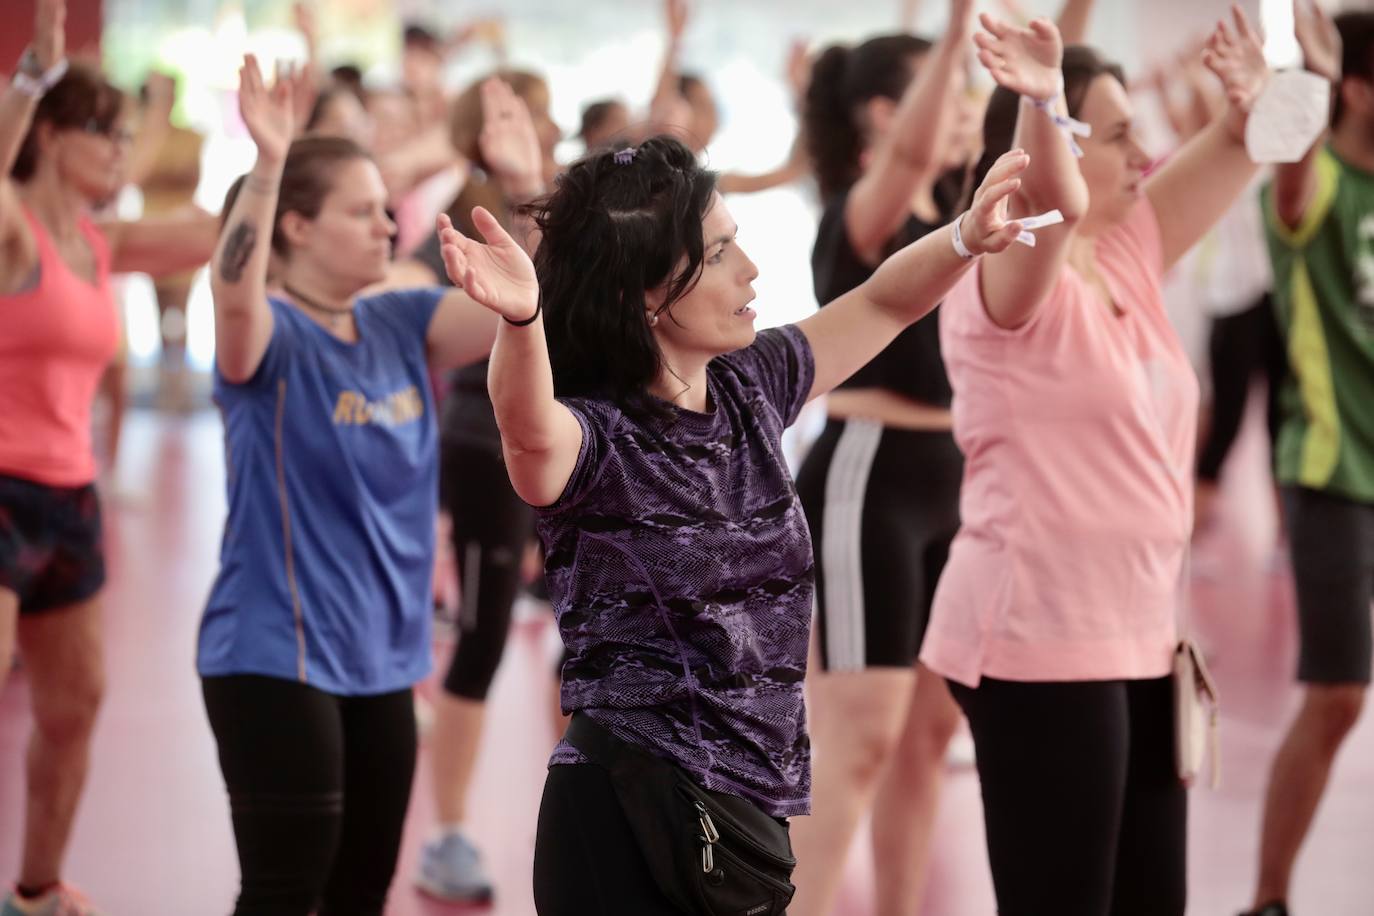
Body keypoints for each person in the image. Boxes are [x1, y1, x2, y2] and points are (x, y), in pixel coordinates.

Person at [435, 133, 1029, 914]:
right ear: (647, 294)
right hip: (628, 819)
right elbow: (528, 430)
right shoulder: (598, 440)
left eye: (736, 244)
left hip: (749, 816)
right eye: (717, 255)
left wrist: (963, 239)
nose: (750, 271)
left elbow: (885, 300)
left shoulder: (753, 385)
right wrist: (522, 324)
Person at [917, 8, 1275, 914]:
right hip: (1038, 635)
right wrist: (1042, 102)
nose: (1146, 154)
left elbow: (1242, 143)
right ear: (1064, 146)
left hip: (1142, 635)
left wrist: (1259, 95)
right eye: (1118, 135)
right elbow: (1049, 201)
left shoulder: (1127, 253)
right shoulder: (1009, 268)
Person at [197, 55, 496, 916]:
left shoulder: (400, 319)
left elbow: (518, 302)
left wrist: (525, 183)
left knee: (363, 889)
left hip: (385, 658)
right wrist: (265, 166)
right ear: (294, 228)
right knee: (289, 890)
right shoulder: (270, 340)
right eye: (362, 214)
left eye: (383, 210)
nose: (386, 228)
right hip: (274, 654)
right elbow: (232, 292)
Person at [0, 2, 221, 914]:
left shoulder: (104, 242)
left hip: (69, 495)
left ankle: (36, 888)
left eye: (130, 139)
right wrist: (30, 79)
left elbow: (224, 229)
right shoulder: (14, 233)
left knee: (75, 703)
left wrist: (286, 153)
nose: (124, 155)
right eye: (108, 136)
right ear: (52, 136)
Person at [786, 3, 981, 913]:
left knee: (928, 739)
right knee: (858, 739)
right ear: (880, 114)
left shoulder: (963, 212)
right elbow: (907, 158)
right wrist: (957, 24)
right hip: (870, 473)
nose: (960, 110)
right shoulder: (861, 216)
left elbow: (1024, 113)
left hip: (955, 481)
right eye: (943, 92)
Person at [400, 73, 556, 905]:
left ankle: (611, 809)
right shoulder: (459, 215)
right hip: (484, 443)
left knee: (601, 643)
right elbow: (416, 310)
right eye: (500, 115)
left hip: (575, 442)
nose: (522, 125)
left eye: (526, 109)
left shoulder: (569, 199)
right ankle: (447, 832)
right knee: (485, 633)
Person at [1243, 7, 1374, 916]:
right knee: (1336, 695)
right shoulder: (1318, 183)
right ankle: (1269, 900)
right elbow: (1291, 180)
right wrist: (1309, 82)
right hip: (1334, 474)